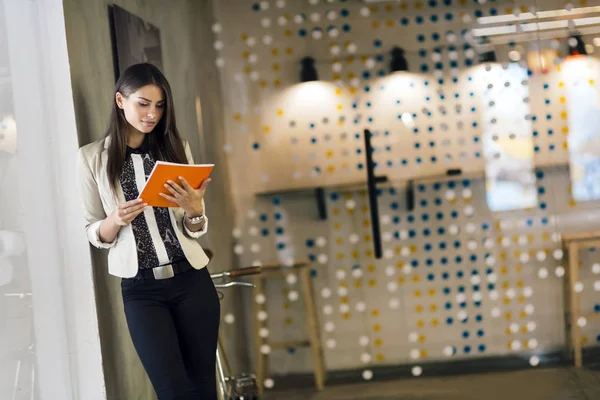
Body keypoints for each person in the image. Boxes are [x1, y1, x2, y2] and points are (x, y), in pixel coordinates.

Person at [76, 63, 220, 400]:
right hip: (141, 291)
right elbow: (92, 231)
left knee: (202, 389)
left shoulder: (176, 150)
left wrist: (196, 211)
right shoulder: (92, 158)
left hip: (191, 281)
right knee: (172, 391)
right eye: (143, 103)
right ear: (120, 101)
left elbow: (193, 229)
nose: (152, 114)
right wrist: (115, 220)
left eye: (159, 105)